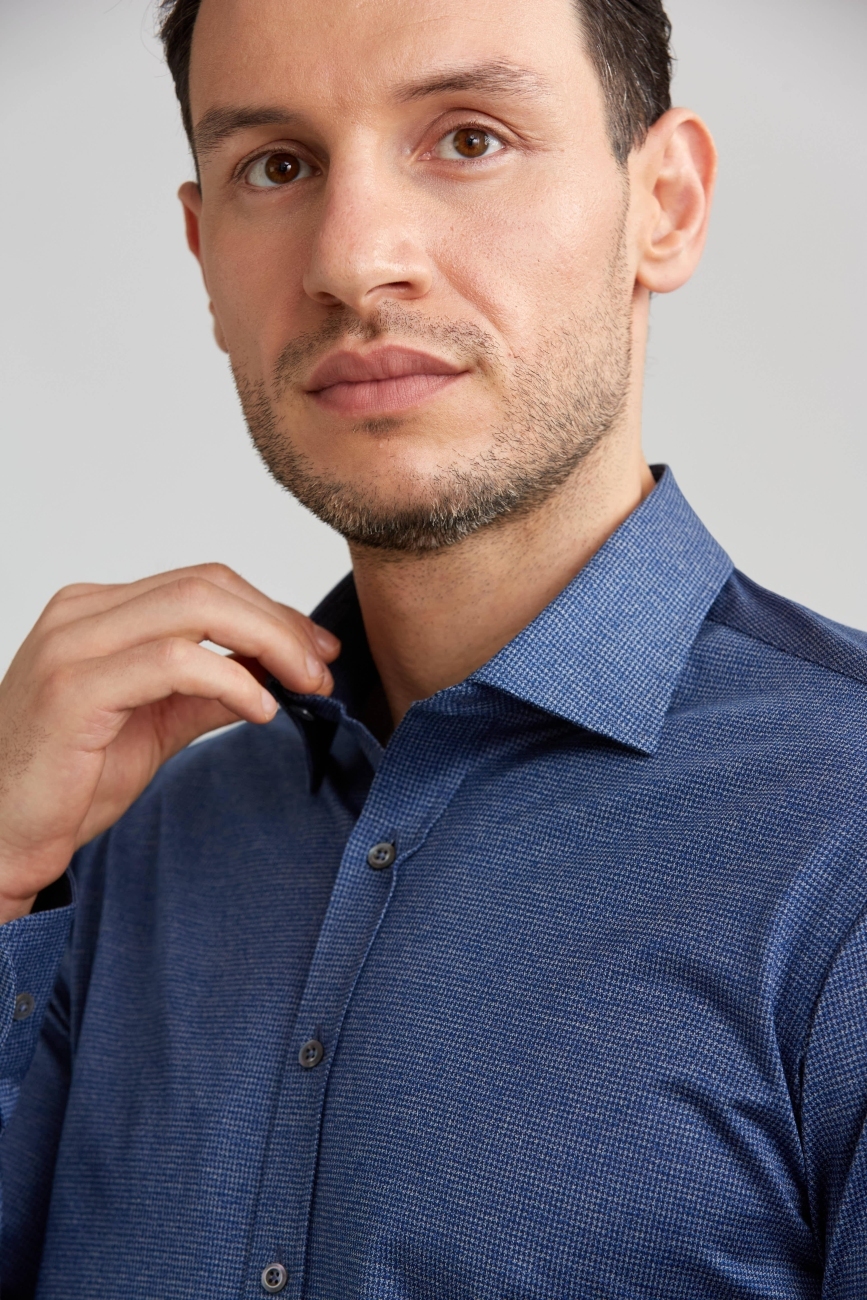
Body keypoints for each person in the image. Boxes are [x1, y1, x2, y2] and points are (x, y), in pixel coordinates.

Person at [1, 0, 865, 1293]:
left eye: (469, 139)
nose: (354, 261)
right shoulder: (114, 845)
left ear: (666, 203)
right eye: (276, 166)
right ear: (203, 251)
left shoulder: (849, 833)